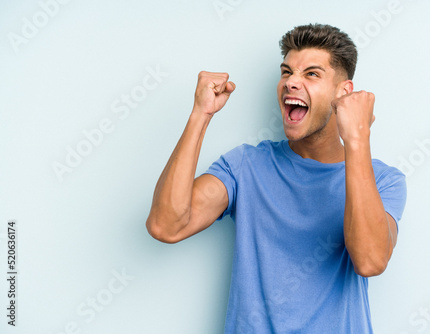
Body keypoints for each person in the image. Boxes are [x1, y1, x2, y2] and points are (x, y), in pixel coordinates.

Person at [146, 23, 407, 333]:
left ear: (343, 93)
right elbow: (166, 225)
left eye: (311, 74)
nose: (291, 83)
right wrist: (200, 115)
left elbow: (370, 261)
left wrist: (357, 139)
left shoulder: (384, 180)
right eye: (286, 72)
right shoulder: (246, 165)